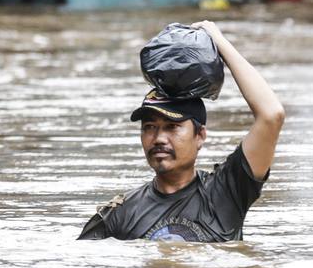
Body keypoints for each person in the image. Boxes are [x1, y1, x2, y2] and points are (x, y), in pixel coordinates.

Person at [78, 21, 284, 242]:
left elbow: (271, 115)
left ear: (200, 135)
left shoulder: (225, 192)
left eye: (172, 127)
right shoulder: (120, 215)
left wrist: (220, 42)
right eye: (149, 127)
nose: (158, 138)